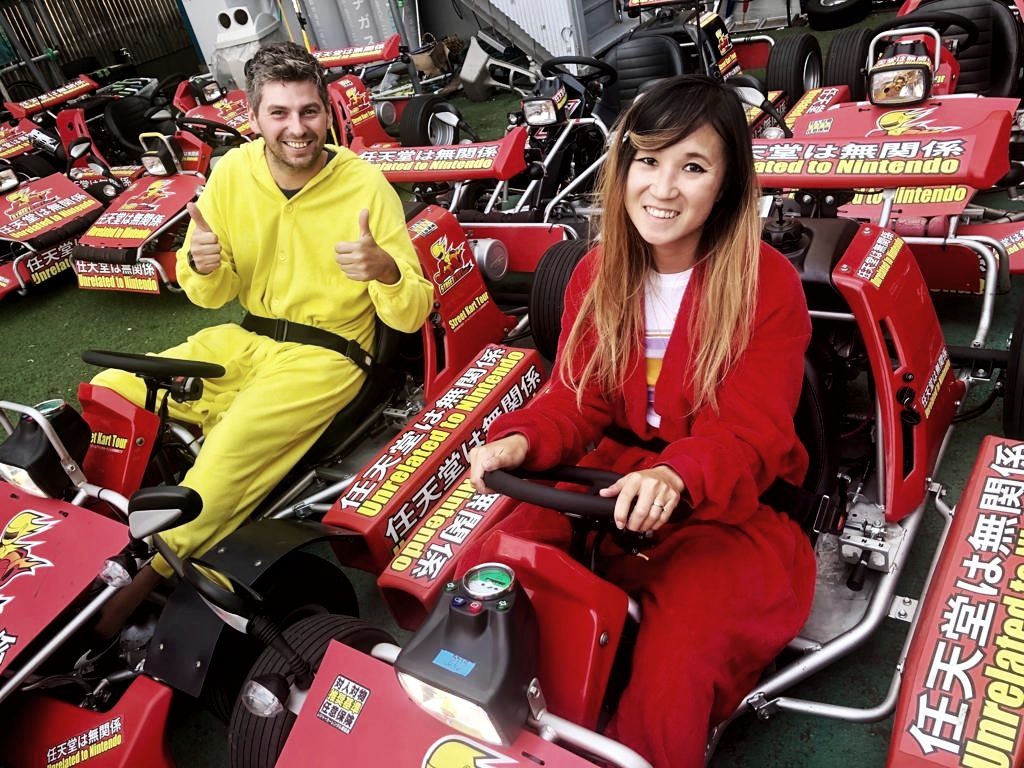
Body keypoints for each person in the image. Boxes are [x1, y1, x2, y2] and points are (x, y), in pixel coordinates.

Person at [467, 75, 816, 767]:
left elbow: (750, 437)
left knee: (675, 663)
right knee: (493, 575)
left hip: (724, 511)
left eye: (692, 166)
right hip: (610, 481)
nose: (662, 187)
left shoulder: (766, 283)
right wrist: (520, 437)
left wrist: (674, 473)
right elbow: (579, 399)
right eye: (648, 160)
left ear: (726, 185)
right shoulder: (598, 271)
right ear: (623, 166)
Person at [92, 41, 433, 637]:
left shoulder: (366, 187)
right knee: (112, 386)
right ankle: (92, 521)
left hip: (326, 356)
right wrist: (197, 263)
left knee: (223, 461)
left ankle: (130, 586)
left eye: (309, 111)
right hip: (243, 340)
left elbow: (411, 316)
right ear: (254, 117)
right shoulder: (232, 173)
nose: (296, 128)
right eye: (279, 113)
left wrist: (384, 270)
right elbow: (212, 292)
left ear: (329, 113)